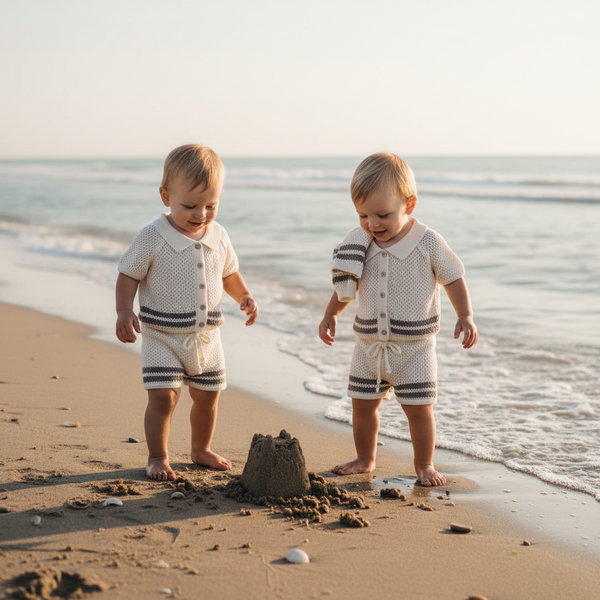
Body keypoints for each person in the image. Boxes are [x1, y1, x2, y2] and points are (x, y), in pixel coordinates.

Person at [318, 153, 477, 487]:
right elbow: (348, 285)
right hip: (369, 348)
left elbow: (453, 278)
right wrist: (331, 313)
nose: (373, 224)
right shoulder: (360, 245)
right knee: (361, 406)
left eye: (383, 215)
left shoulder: (428, 242)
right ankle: (365, 458)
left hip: (415, 350)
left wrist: (465, 315)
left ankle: (424, 464)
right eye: (363, 215)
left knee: (419, 411)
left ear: (410, 204)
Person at [116, 144, 258, 481]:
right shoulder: (152, 236)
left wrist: (245, 295)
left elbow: (228, 273)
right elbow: (128, 274)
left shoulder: (219, 235)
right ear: (166, 197)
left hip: (207, 339)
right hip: (161, 337)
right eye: (190, 206)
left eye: (211, 205)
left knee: (208, 398)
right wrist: (124, 311)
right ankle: (158, 456)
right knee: (164, 398)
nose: (201, 214)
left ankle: (200, 449)